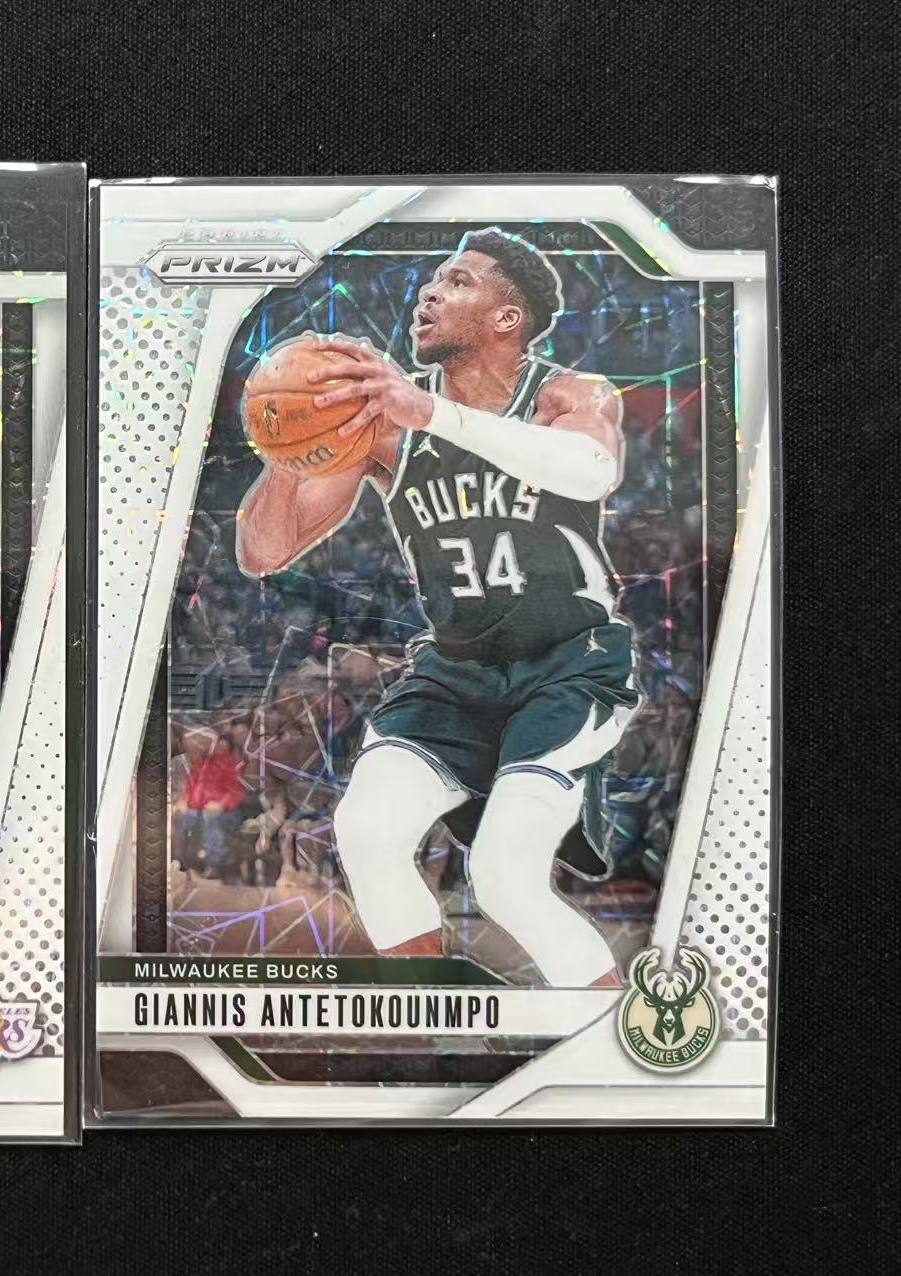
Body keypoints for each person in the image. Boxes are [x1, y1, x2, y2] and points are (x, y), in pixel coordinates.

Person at [236, 228, 634, 988]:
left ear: (507, 318)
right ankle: (438, 1022)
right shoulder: (386, 423)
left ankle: (611, 1029)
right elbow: (262, 551)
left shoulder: (567, 395)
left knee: (507, 876)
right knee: (365, 831)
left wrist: (432, 415)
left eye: (457, 282)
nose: (429, 292)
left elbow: (590, 472)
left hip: (567, 667)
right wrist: (288, 445)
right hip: (456, 669)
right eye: (432, 281)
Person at [171, 726, 247, 878]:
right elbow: (189, 790)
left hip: (228, 814)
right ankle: (179, 860)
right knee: (182, 817)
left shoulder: (228, 765)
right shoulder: (201, 765)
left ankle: (214, 864)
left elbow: (236, 793)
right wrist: (183, 802)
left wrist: (221, 805)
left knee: (209, 817)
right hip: (199, 811)